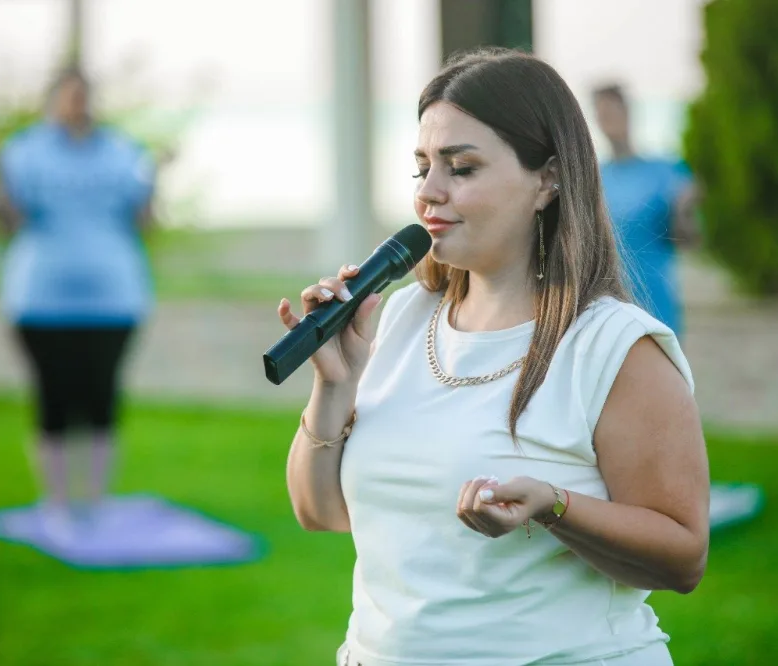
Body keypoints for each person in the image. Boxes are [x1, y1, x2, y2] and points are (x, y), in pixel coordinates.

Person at [278, 49, 709, 666]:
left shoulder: (615, 347)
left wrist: (556, 506)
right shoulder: (400, 318)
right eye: (422, 166)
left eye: (462, 168)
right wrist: (334, 385)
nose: (429, 192)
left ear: (548, 179)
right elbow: (319, 513)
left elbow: (683, 556)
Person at [0, 66, 157, 538]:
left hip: (114, 299)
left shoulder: (123, 152)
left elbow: (143, 220)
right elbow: (7, 222)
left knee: (102, 398)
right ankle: (58, 504)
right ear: (52, 101)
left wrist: (158, 178)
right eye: (69, 97)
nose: (77, 105)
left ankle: (98, 504)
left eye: (84, 96)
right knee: (54, 400)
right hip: (41, 300)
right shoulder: (23, 152)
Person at [592, 83, 700, 338]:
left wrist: (683, 211)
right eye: (601, 115)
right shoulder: (593, 178)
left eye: (612, 112)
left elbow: (689, 240)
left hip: (657, 303)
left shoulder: (666, 171)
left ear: (628, 112)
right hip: (608, 308)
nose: (608, 121)